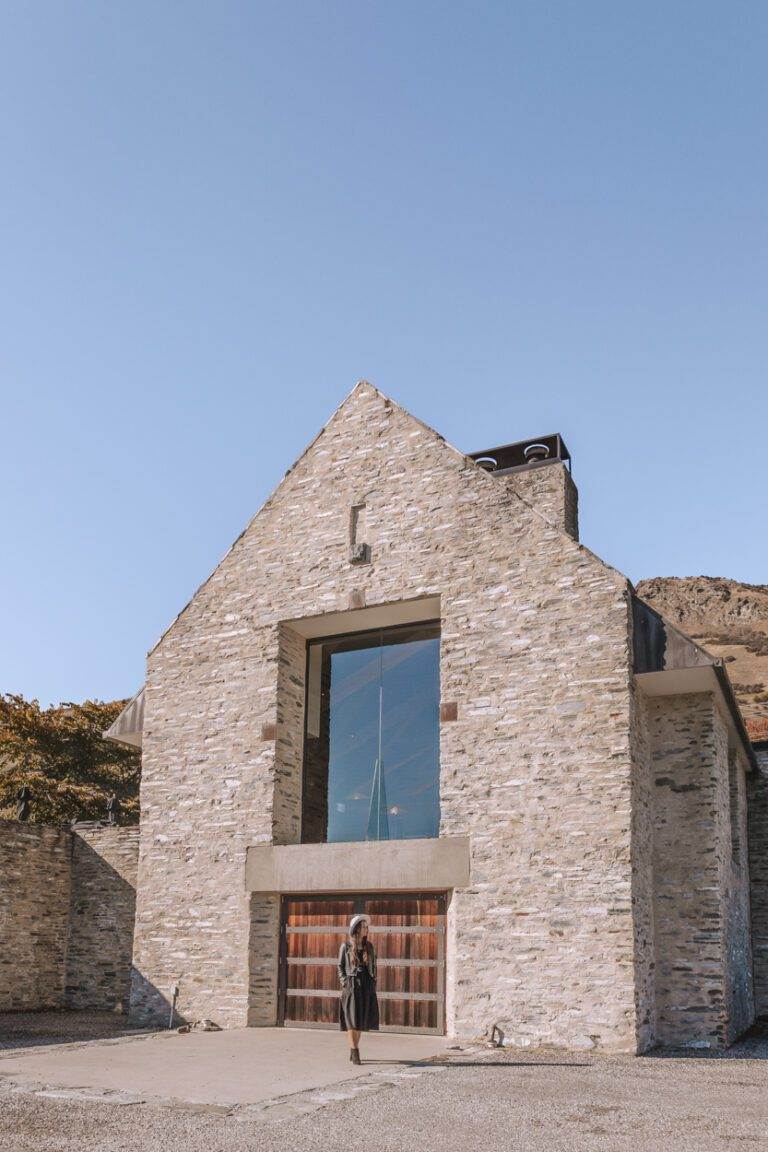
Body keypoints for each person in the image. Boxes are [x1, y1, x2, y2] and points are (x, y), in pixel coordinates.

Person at [338, 913, 379, 1063]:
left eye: (366, 927)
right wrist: (344, 982)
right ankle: (355, 1052)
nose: (366, 929)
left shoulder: (370, 947)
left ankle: (353, 1047)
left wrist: (373, 981)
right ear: (356, 929)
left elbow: (374, 965)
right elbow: (340, 966)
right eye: (363, 927)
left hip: (366, 986)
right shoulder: (346, 946)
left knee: (360, 1020)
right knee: (351, 1020)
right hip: (351, 985)